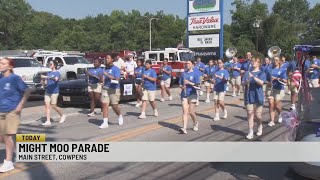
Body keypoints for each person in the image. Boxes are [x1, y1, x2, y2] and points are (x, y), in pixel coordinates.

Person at [0, 58, 31, 172]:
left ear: (10, 67)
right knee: (2, 137)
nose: (0, 65)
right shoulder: (0, 77)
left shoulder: (15, 78)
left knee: (7, 136)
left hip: (12, 110)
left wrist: (20, 105)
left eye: (2, 63)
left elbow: (27, 91)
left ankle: (8, 162)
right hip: (1, 110)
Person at [242, 57, 266, 139]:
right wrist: (246, 81)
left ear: (259, 64)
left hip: (258, 95)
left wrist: (253, 77)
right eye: (253, 61)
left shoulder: (262, 73)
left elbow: (261, 83)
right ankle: (250, 131)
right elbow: (243, 83)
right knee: (249, 114)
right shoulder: (247, 73)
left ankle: (260, 125)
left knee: (258, 115)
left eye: (256, 61)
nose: (254, 62)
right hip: (248, 95)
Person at [99, 54, 124, 128]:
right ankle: (105, 122)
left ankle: (119, 115)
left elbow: (117, 79)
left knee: (114, 105)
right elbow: (103, 79)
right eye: (106, 58)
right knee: (104, 104)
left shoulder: (115, 69)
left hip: (114, 88)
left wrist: (107, 75)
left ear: (112, 59)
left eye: (108, 58)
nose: (106, 59)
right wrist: (101, 79)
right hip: (106, 88)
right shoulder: (104, 69)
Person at [41, 60, 66, 126]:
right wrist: (43, 81)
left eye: (51, 64)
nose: (50, 65)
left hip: (54, 92)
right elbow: (46, 83)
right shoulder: (48, 73)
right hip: (48, 91)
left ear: (54, 65)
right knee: (47, 106)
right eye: (49, 64)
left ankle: (62, 115)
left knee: (54, 105)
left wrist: (46, 77)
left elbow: (56, 79)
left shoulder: (57, 73)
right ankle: (48, 120)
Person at [179, 60, 200, 134]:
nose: (187, 65)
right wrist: (182, 87)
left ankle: (195, 122)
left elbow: (198, 86)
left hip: (192, 94)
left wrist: (189, 83)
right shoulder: (183, 74)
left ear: (192, 65)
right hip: (184, 94)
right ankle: (184, 128)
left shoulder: (195, 74)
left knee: (191, 112)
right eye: (186, 63)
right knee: (185, 112)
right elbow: (180, 84)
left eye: (188, 63)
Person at [267, 57, 288, 127]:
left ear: (279, 61)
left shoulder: (282, 70)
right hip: (270, 89)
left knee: (276, 105)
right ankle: (272, 121)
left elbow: (285, 80)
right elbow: (266, 79)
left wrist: (276, 78)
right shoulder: (269, 69)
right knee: (271, 104)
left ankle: (280, 114)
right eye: (274, 60)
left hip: (279, 88)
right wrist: (267, 82)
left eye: (276, 60)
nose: (275, 61)